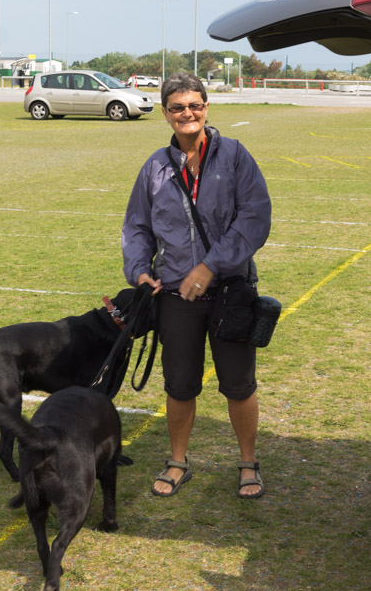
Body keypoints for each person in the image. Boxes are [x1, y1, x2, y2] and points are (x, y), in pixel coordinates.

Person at [122, 72, 272, 499]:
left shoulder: (235, 156)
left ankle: (247, 462)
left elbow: (254, 218)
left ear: (206, 107)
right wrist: (139, 270)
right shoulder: (155, 166)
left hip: (231, 290)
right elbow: (137, 226)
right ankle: (177, 461)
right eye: (177, 107)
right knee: (180, 384)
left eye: (195, 105)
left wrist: (210, 265)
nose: (187, 113)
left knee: (239, 385)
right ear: (166, 114)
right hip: (175, 294)